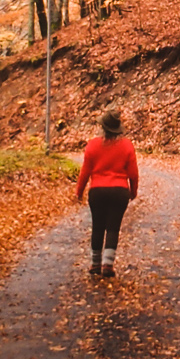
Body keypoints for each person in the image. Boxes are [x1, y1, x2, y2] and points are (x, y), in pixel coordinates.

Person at [73, 110, 139, 278]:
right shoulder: (127, 146)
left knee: (97, 226)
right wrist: (133, 191)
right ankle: (108, 265)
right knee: (113, 228)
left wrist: (79, 192)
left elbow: (85, 172)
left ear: (102, 127)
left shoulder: (93, 145)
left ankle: (95, 264)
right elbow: (133, 173)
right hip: (119, 192)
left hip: (97, 191)